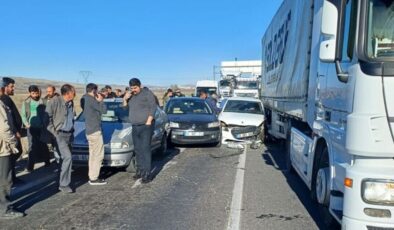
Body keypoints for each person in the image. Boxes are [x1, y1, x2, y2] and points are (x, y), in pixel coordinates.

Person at [123, 78, 156, 183]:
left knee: (145, 149)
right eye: (132, 88)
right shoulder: (130, 96)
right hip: (135, 126)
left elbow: (153, 107)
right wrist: (125, 99)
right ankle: (140, 171)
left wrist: (149, 121)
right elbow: (124, 109)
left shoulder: (147, 93)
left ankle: (147, 174)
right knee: (137, 150)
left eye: (135, 88)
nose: (134, 90)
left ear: (140, 86)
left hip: (146, 125)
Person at [45, 84, 76, 193]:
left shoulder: (71, 103)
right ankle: (64, 185)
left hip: (69, 134)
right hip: (59, 135)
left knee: (63, 159)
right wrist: (54, 132)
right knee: (68, 157)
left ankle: (60, 180)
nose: (75, 94)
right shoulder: (55, 101)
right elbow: (46, 119)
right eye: (73, 92)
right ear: (68, 93)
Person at [0, 82, 24, 219]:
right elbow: (4, 128)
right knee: (4, 179)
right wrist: (13, 141)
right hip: (3, 148)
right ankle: (5, 209)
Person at [81, 83, 107, 185]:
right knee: (98, 154)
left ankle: (91, 175)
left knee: (92, 154)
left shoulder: (84, 99)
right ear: (94, 90)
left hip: (89, 130)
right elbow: (104, 110)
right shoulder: (92, 100)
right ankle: (94, 177)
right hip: (95, 130)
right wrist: (101, 101)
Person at [0, 77, 23, 182]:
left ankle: (12, 176)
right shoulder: (4, 99)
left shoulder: (6, 98)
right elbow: (7, 121)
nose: (13, 88)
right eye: (11, 86)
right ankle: (10, 178)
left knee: (13, 155)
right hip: (11, 134)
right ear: (4, 87)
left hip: (13, 132)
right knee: (11, 156)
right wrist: (15, 132)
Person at [22, 85, 50, 172]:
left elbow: (48, 113)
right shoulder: (26, 102)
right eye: (33, 93)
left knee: (43, 145)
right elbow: (23, 115)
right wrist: (27, 124)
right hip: (31, 128)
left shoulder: (43, 101)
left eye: (36, 93)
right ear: (30, 93)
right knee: (32, 146)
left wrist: (45, 124)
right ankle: (30, 166)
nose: (35, 95)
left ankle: (47, 162)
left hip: (42, 127)